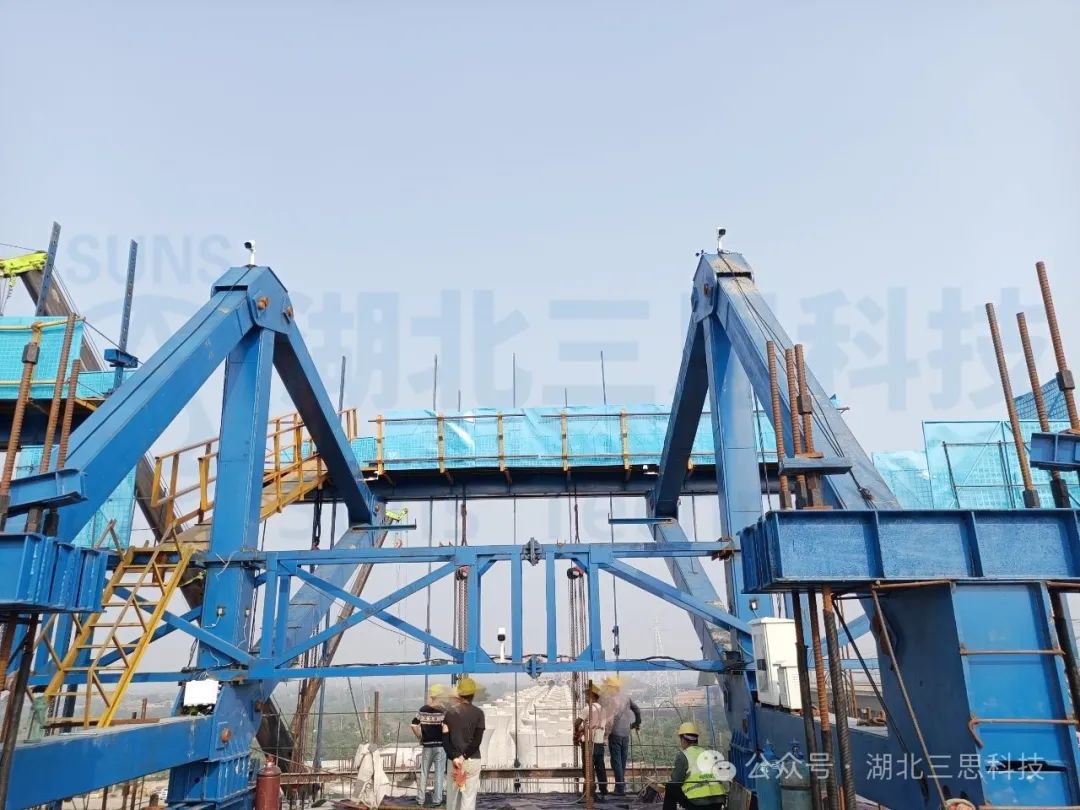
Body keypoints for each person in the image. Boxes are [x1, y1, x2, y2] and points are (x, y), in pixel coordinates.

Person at [663, 722, 728, 810]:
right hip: (718, 802)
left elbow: (676, 781)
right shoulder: (708, 753)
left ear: (683, 740)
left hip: (698, 804)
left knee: (671, 786)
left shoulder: (684, 755)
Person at [443, 676, 485, 810]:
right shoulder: (479, 714)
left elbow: (445, 740)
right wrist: (464, 756)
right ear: (473, 695)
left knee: (453, 799)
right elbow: (477, 741)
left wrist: (455, 757)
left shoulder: (449, 714)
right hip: (472, 760)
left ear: (459, 695)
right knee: (469, 798)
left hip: (454, 762)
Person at [600, 676, 641, 796]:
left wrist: (605, 736)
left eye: (609, 688)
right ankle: (620, 787)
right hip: (626, 733)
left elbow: (610, 720)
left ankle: (620, 788)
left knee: (616, 762)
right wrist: (636, 723)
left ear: (613, 688)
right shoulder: (626, 698)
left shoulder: (612, 700)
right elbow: (637, 710)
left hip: (616, 734)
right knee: (622, 761)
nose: (607, 690)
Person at [411, 684, 448, 806]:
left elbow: (413, 725)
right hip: (440, 746)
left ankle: (420, 799)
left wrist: (420, 737)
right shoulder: (443, 711)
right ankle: (437, 800)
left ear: (431, 696)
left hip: (427, 746)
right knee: (439, 774)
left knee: (424, 773)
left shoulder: (422, 710)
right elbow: (447, 728)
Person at [573, 681, 608, 803]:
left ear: (592, 696)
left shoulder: (587, 709)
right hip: (599, 742)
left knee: (588, 769)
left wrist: (577, 733)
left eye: (587, 695)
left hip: (588, 743)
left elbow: (577, 723)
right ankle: (603, 792)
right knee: (600, 767)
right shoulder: (603, 709)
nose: (586, 698)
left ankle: (589, 793)